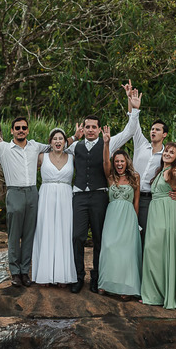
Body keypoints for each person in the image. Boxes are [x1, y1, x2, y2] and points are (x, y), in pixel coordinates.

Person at [70, 86, 140, 293]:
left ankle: (97, 277)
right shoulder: (75, 146)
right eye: (87, 126)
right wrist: (73, 137)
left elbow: (129, 130)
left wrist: (134, 110)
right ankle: (78, 277)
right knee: (78, 237)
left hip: (100, 196)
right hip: (80, 196)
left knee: (100, 238)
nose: (90, 130)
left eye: (94, 127)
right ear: (83, 128)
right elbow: (54, 146)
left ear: (99, 129)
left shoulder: (108, 141)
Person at [0, 103, 47, 287]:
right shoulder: (4, 148)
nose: (21, 130)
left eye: (24, 128)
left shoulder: (35, 146)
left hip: (32, 192)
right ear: (12, 131)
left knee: (30, 235)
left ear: (28, 130)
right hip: (14, 192)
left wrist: (74, 137)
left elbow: (57, 145)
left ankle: (25, 271)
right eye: (18, 128)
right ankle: (15, 273)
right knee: (14, 235)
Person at [140, 143, 176, 309]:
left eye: (172, 152)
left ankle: (163, 294)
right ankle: (155, 294)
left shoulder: (175, 170)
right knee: (152, 252)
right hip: (156, 212)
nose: (168, 154)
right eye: (167, 151)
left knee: (159, 250)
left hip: (167, 213)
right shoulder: (160, 171)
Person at [96, 129, 142, 299]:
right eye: (117, 161)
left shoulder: (135, 177)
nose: (119, 164)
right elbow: (104, 162)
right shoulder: (110, 177)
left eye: (122, 161)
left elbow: (136, 201)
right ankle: (106, 283)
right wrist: (106, 143)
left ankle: (126, 287)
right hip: (113, 216)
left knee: (127, 251)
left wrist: (135, 223)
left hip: (128, 216)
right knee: (109, 248)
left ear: (126, 162)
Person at [30, 127, 76, 286]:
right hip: (46, 197)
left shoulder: (72, 157)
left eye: (61, 139)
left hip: (65, 197)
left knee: (64, 233)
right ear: (49, 142)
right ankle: (45, 274)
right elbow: (24, 165)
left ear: (65, 142)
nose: (58, 141)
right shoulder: (41, 157)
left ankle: (62, 275)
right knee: (46, 232)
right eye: (54, 139)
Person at [122, 84, 170, 237]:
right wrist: (131, 102)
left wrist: (175, 191)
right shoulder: (141, 144)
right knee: (133, 235)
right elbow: (133, 125)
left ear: (165, 134)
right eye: (152, 129)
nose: (153, 131)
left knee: (150, 236)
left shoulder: (167, 155)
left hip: (153, 200)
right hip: (132, 195)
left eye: (157, 129)